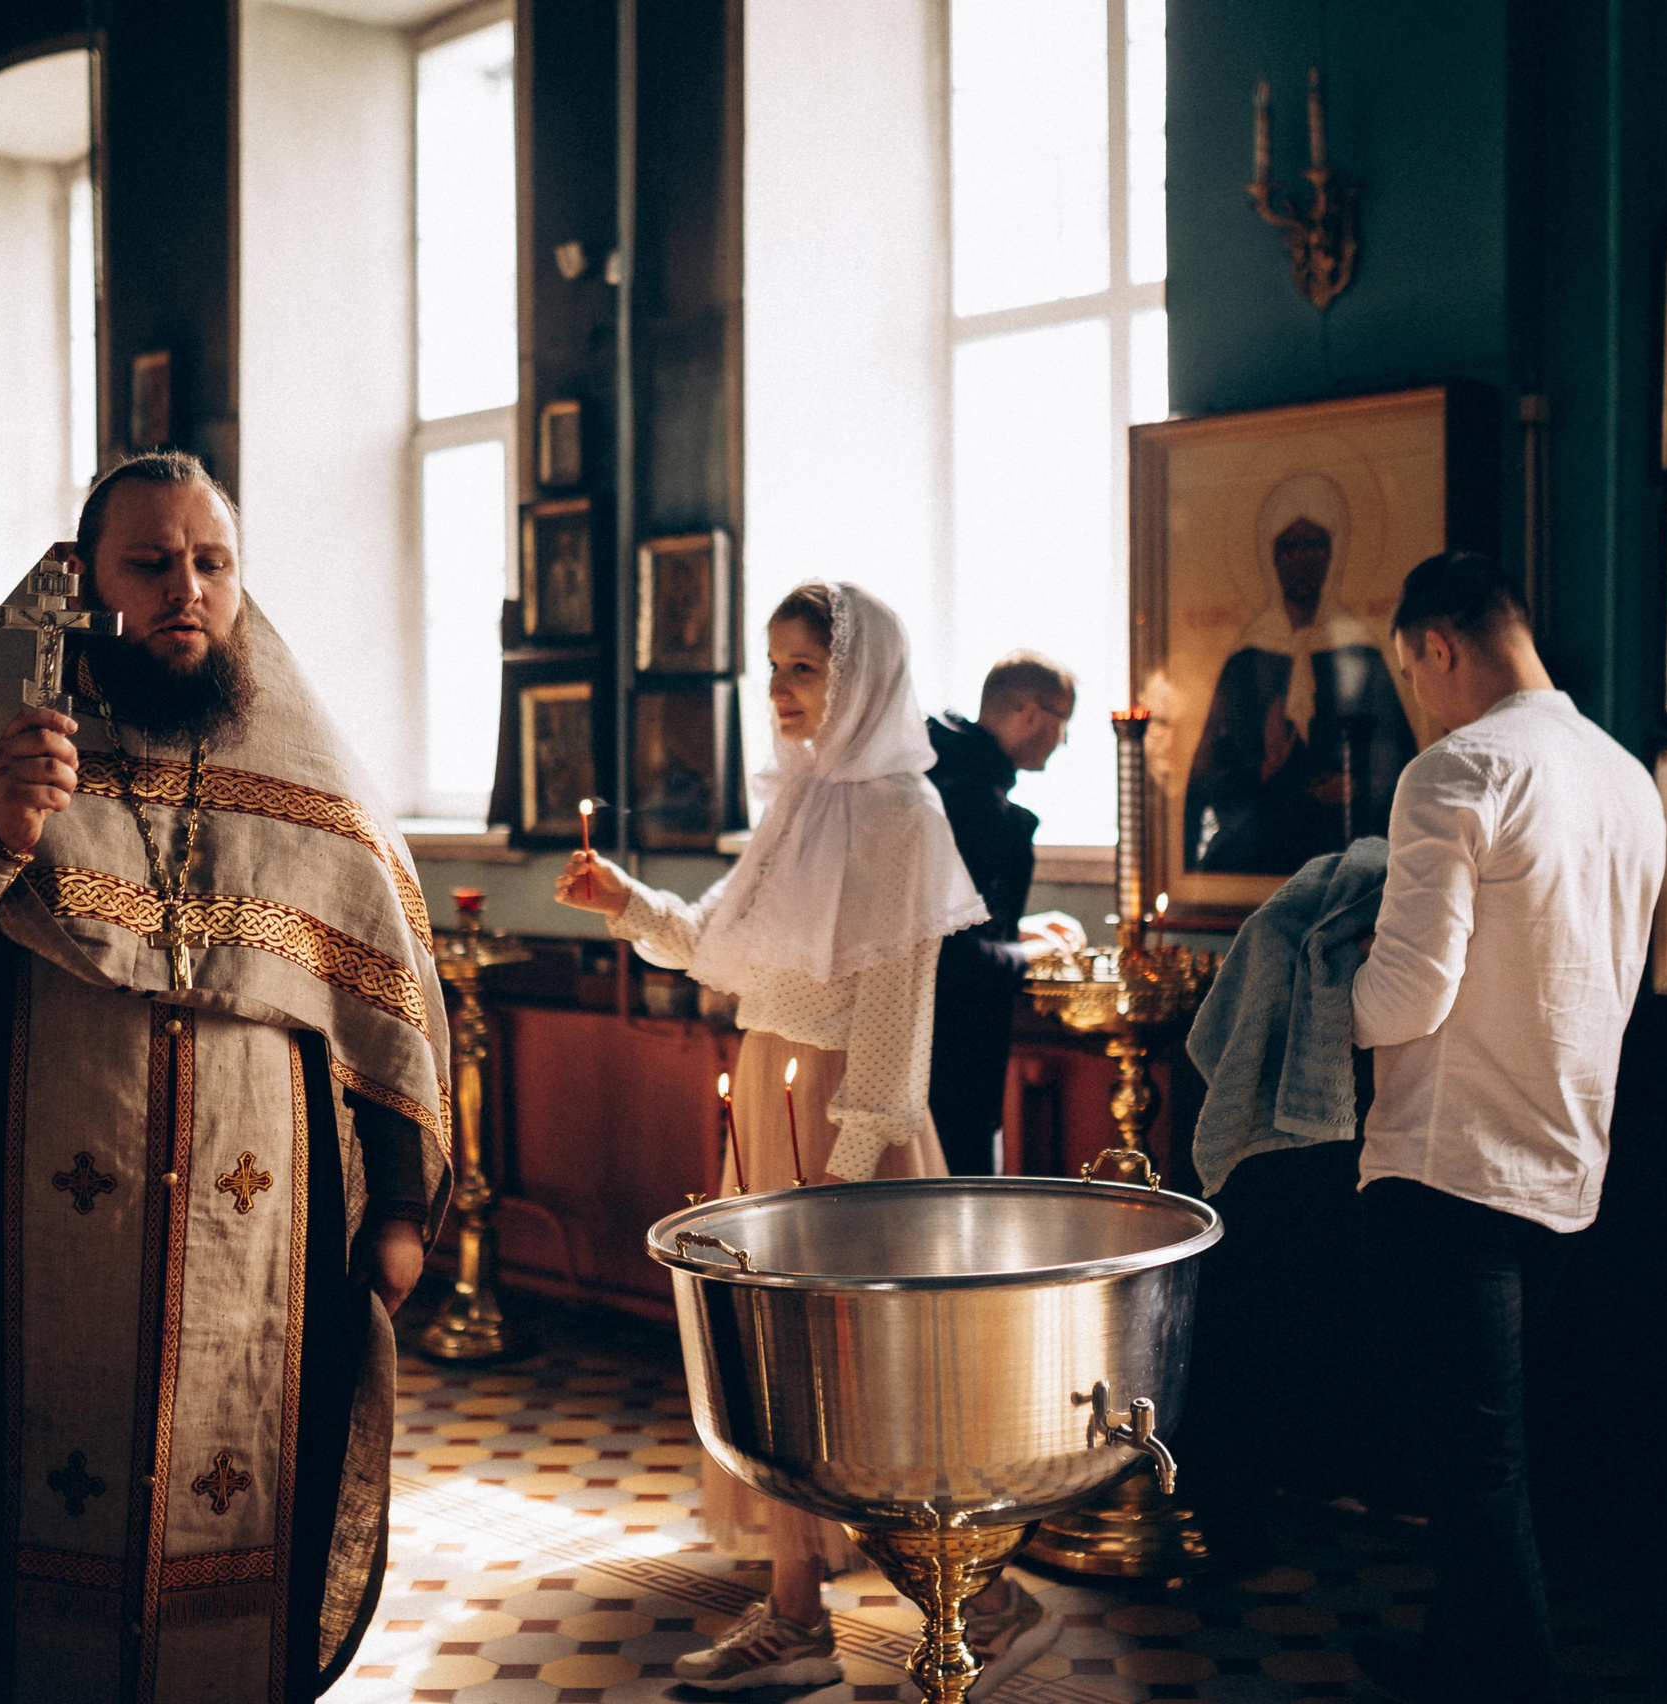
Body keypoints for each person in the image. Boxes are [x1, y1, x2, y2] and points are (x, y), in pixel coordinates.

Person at [0, 451, 452, 1702]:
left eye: (211, 563)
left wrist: (400, 1211)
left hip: (267, 1274)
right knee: (30, 1569)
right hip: (20, 1255)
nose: (185, 589)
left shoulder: (305, 773)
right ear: (82, 583)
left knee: (250, 1566)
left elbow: (389, 993)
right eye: (151, 564)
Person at [554, 582, 1060, 1699]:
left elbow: (893, 1023)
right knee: (772, 1378)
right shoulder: (800, 803)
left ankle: (990, 1597)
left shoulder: (896, 814)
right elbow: (721, 946)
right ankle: (794, 1612)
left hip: (850, 1135)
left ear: (862, 675)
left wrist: (836, 1186)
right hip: (772, 1106)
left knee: (877, 1389)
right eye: (772, 665)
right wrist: (626, 900)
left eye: (803, 668)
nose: (777, 690)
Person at [1347, 551, 1664, 1704]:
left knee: (1474, 1467)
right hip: (1567, 1159)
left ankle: (1515, 1684)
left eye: (1408, 675)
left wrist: (1314, 983)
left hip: (1449, 1165)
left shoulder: (1457, 771)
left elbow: (1403, 1000)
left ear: (1436, 646)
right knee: (1491, 1450)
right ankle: (1448, 1660)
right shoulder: (1625, 776)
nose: (1415, 701)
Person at [1183, 472, 1415, 873]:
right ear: (1269, 556)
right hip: (1257, 854)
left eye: (1314, 543)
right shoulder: (1246, 658)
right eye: (1287, 546)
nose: (1301, 558)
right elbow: (1207, 776)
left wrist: (1358, 787)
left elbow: (1399, 759)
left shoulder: (1360, 649)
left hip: (1347, 855)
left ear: (1333, 552)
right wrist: (1263, 772)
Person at [925, 650, 1078, 1176]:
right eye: (1064, 723)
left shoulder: (947, 778)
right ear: (1032, 715)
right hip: (950, 1056)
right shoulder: (975, 805)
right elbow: (948, 955)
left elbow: (959, 918)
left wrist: (1026, 929)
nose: (1063, 741)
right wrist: (1035, 953)